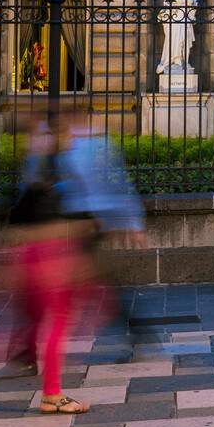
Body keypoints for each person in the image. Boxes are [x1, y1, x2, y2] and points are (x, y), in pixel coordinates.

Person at [8, 117, 93, 413]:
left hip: (43, 258)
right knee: (58, 322)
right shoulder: (49, 174)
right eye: (69, 131)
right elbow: (40, 222)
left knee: (49, 321)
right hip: (47, 259)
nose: (75, 137)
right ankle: (52, 393)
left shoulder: (48, 170)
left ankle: (45, 382)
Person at [57, 111, 148, 357]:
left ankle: (134, 332)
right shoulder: (80, 147)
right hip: (86, 222)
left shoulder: (93, 147)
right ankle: (134, 332)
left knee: (93, 283)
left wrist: (131, 221)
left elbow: (115, 185)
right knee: (98, 283)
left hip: (91, 223)